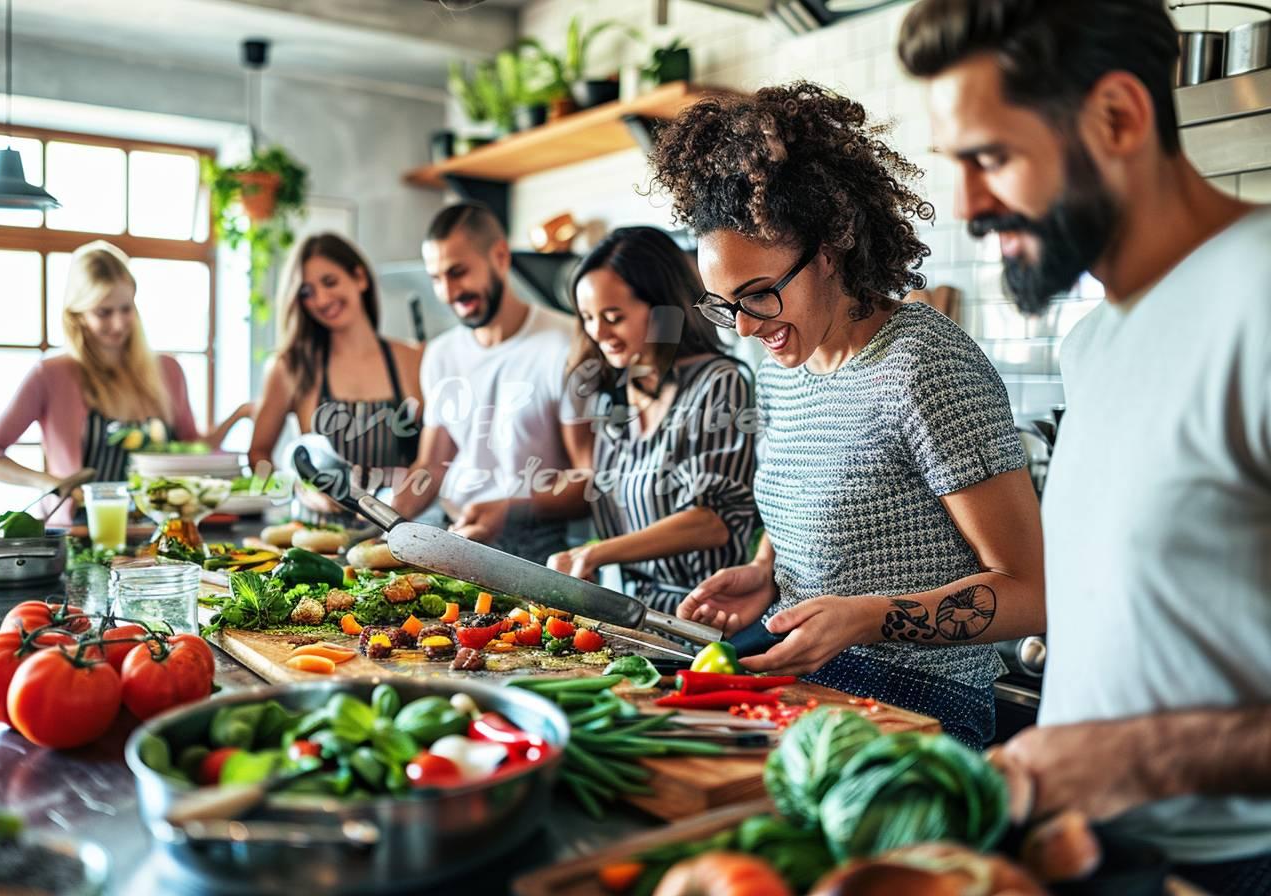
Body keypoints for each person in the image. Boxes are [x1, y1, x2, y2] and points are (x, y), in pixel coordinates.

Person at [899, 1, 1271, 888]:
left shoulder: (1259, 296)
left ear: (1118, 117)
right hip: (1089, 851)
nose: (967, 204)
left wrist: (1138, 760)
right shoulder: (1093, 342)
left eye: (990, 158)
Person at [655, 82, 1046, 748]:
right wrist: (767, 574)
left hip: (920, 710)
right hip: (807, 684)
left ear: (830, 250)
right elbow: (810, 498)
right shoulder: (788, 364)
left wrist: (867, 618)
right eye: (725, 306)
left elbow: (1034, 592)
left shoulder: (924, 364)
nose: (745, 328)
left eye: (759, 295)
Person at [467, 226, 760, 613]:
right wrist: (508, 509)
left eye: (613, 316)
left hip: (702, 611)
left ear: (661, 309)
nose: (599, 332)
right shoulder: (616, 390)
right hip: (626, 609)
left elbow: (713, 520)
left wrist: (596, 555)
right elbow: (602, 481)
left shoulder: (717, 384)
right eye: (588, 317)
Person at [0, 241, 250, 523]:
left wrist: (239, 415)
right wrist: (49, 483)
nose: (118, 324)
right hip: (81, 534)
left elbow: (193, 446)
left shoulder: (168, 370)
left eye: (126, 308)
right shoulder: (50, 375)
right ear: (77, 314)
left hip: (161, 532)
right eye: (103, 312)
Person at [396, 202, 586, 565]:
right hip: (453, 529)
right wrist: (385, 514)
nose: (449, 292)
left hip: (534, 545)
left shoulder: (566, 344)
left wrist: (512, 509)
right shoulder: (440, 354)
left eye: (458, 272)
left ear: (500, 256)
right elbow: (433, 465)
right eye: (436, 278)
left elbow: (587, 480)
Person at [249, 232, 422, 526]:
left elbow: (438, 456)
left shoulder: (413, 359)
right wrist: (295, 487)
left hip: (400, 536)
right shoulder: (289, 366)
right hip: (318, 540)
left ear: (360, 278)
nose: (321, 299)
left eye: (329, 282)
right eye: (307, 292)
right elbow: (258, 454)